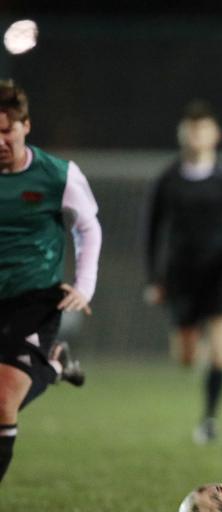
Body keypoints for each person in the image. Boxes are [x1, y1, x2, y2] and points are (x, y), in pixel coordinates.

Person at [0, 79, 101, 484]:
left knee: (4, 398)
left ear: (26, 126)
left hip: (35, 300)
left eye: (7, 129)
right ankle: (56, 365)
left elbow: (88, 228)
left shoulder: (57, 176)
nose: (0, 139)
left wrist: (85, 285)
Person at [144, 100, 222, 445]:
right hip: (181, 275)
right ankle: (202, 354)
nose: (196, 136)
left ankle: (209, 419)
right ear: (182, 135)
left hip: (219, 272)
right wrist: (154, 279)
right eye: (191, 130)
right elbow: (151, 232)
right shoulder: (167, 180)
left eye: (202, 129)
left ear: (215, 135)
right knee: (186, 356)